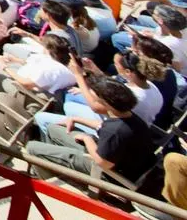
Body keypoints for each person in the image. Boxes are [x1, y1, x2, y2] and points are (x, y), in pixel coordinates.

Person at [26, 74, 155, 185]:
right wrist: (76, 119)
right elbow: (101, 125)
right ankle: (55, 167)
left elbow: (102, 162)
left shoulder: (114, 131)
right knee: (53, 128)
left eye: (94, 100)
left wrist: (87, 139)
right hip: (116, 158)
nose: (90, 103)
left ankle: (48, 176)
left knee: (32, 146)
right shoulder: (128, 116)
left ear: (106, 104)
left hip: (109, 174)